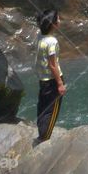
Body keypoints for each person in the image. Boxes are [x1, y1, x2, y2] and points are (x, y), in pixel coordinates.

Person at [35, 9, 66, 142]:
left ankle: (41, 133)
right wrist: (60, 84)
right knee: (52, 111)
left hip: (43, 79)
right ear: (53, 24)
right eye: (58, 19)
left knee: (43, 106)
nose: (60, 21)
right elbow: (53, 65)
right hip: (53, 80)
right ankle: (45, 137)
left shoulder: (40, 37)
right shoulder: (52, 41)